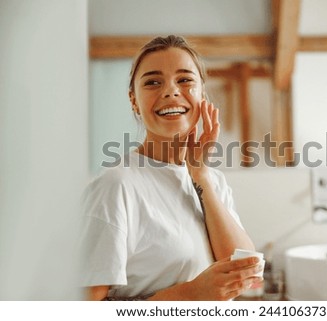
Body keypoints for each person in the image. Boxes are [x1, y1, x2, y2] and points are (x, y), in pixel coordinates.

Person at [79, 35, 262, 301]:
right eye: (153, 82)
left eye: (185, 80)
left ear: (201, 94)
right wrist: (187, 296)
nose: (170, 91)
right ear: (134, 101)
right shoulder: (116, 186)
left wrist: (201, 177)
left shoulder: (213, 181)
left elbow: (245, 271)